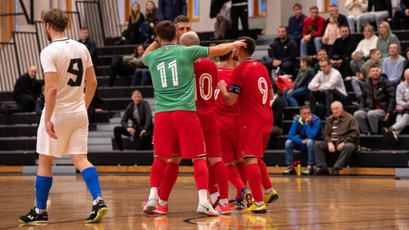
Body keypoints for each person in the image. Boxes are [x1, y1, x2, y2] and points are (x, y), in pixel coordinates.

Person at [141, 20, 246, 216]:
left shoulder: (152, 57)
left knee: (162, 159)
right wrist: (234, 45)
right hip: (190, 113)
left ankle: (155, 198)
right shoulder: (189, 54)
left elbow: (144, 56)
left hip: (163, 114)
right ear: (177, 36)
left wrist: (157, 40)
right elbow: (217, 50)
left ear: (158, 37)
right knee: (202, 159)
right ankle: (209, 200)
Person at [19, 8, 107, 224]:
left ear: (48, 26)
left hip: (58, 113)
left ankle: (40, 211)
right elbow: (93, 83)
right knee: (80, 159)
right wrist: (84, 106)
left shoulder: (49, 51)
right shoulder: (82, 47)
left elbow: (50, 89)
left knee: (45, 162)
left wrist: (47, 118)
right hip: (78, 112)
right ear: (66, 25)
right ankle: (98, 201)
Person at [218, 36, 279, 213]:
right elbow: (271, 95)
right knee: (256, 156)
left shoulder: (239, 70)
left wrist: (222, 88)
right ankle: (268, 191)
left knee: (249, 158)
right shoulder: (262, 67)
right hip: (267, 116)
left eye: (235, 46)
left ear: (240, 50)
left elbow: (230, 100)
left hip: (251, 120)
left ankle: (259, 203)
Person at [215, 51, 252, 210]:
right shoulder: (238, 74)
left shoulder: (212, 74)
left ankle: (243, 191)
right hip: (239, 122)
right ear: (232, 57)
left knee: (227, 163)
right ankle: (240, 198)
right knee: (241, 160)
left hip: (219, 124)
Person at [314, 101, 359, 176]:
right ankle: (322, 167)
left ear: (342, 108)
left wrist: (344, 142)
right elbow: (325, 134)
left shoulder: (350, 118)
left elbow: (355, 133)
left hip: (345, 142)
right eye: (333, 109)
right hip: (332, 143)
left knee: (349, 147)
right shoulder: (329, 119)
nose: (335, 111)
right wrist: (329, 142)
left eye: (337, 109)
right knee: (318, 144)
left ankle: (337, 168)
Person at [354, 65, 395, 135]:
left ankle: (374, 134)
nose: (375, 73)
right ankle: (366, 133)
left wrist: (388, 112)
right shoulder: (367, 84)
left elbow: (392, 97)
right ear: (369, 74)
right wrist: (361, 108)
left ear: (379, 72)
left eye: (377, 71)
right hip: (369, 108)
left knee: (371, 114)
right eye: (373, 71)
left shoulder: (385, 82)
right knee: (357, 114)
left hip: (382, 109)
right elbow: (362, 98)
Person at [283, 106, 322, 175]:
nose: (307, 115)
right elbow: (290, 135)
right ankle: (290, 166)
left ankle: (310, 166)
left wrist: (307, 124)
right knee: (288, 142)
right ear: (300, 115)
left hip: (316, 143)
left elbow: (311, 136)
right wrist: (301, 141)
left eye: (308, 113)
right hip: (304, 142)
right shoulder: (298, 120)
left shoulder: (316, 120)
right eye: (305, 113)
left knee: (309, 141)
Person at [383, 69, 409, 142]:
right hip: (403, 110)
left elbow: (401, 104)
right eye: (407, 79)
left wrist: (404, 105)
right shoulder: (400, 86)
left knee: (406, 116)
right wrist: (406, 104)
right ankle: (394, 134)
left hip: (405, 110)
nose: (408, 80)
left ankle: (390, 129)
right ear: (404, 77)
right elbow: (398, 101)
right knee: (399, 117)